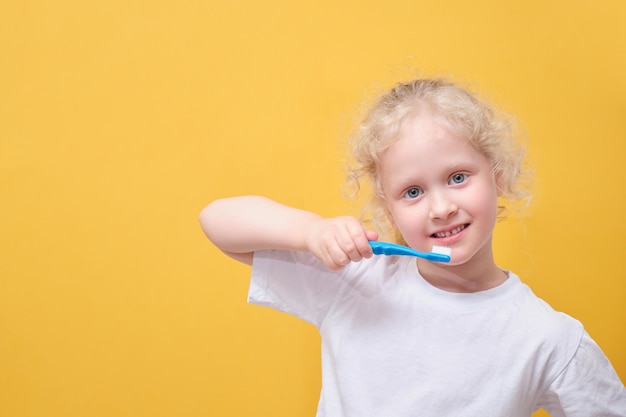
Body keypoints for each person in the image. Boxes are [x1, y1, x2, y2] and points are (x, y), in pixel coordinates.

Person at [199, 78, 626, 416]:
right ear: (388, 208)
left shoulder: (548, 338)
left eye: (458, 177)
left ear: (497, 177)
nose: (441, 207)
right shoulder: (353, 280)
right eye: (413, 192)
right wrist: (311, 231)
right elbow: (217, 221)